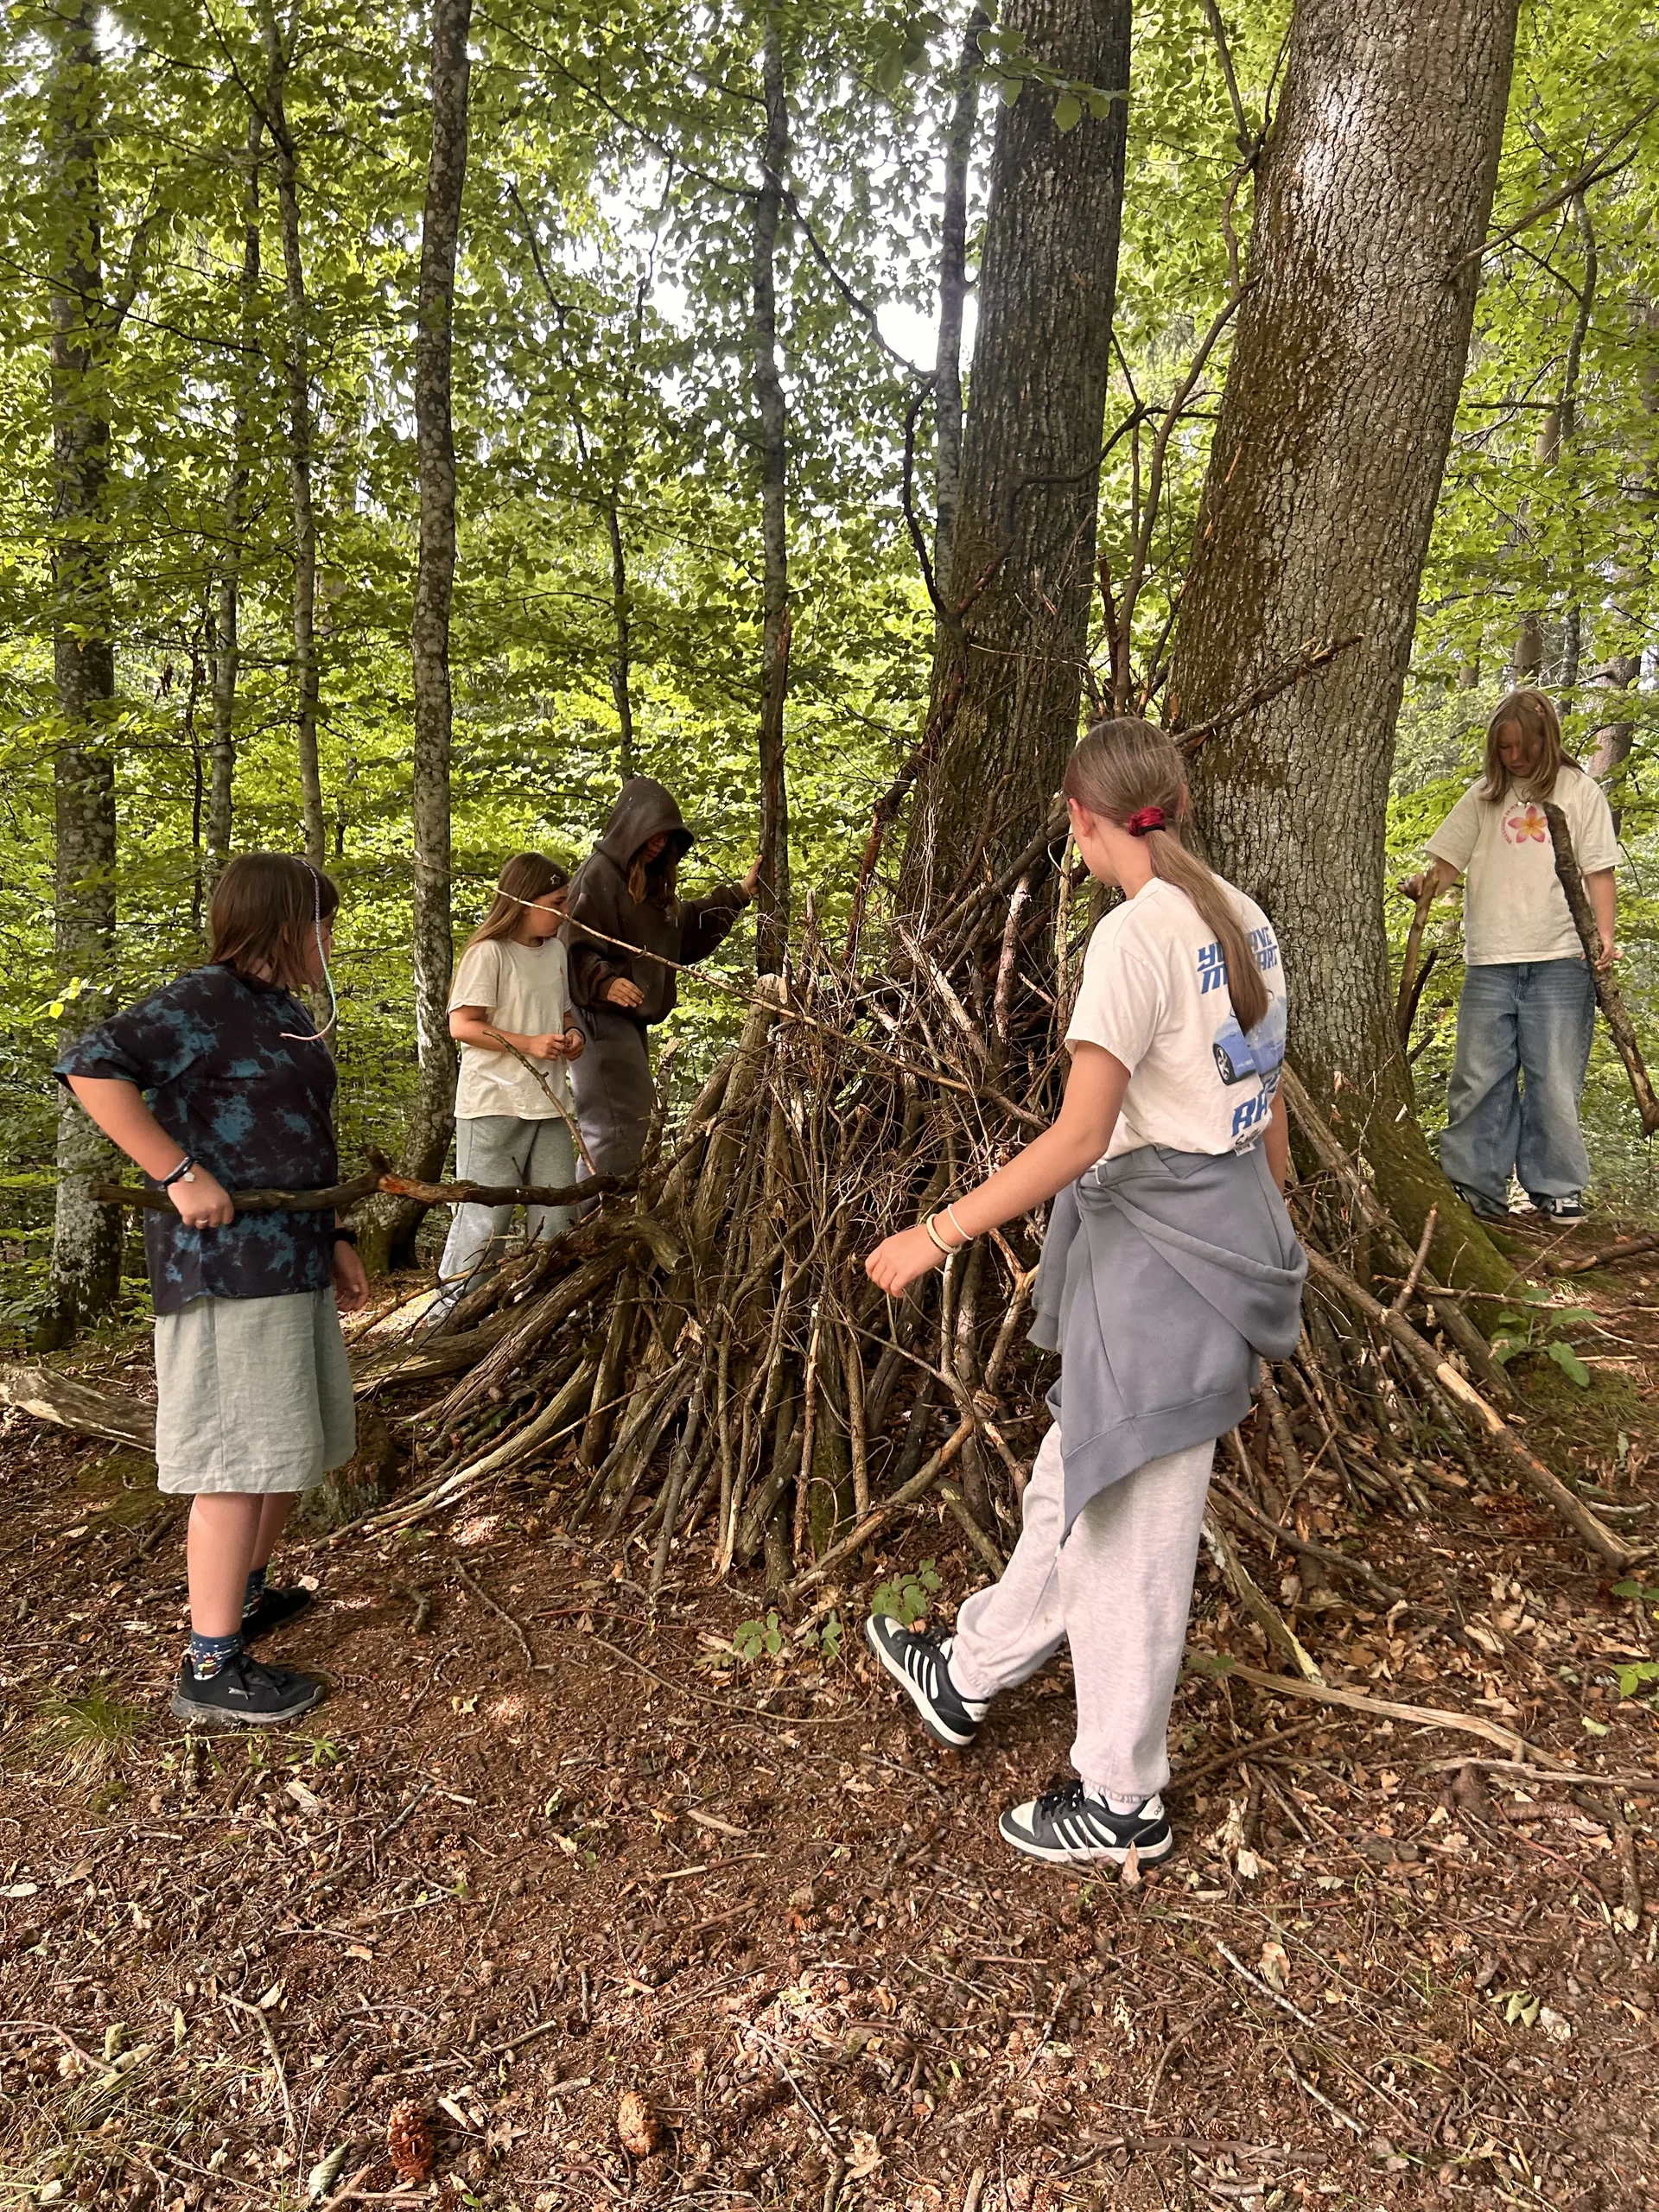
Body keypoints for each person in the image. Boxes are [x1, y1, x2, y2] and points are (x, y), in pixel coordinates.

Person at [862, 719, 1306, 1869]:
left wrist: (937, 1229)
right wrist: (1276, 1226)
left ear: (1086, 820)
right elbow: (1268, 1102)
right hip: (1224, 1236)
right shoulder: (1239, 917)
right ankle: (966, 1673)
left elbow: (1079, 1135)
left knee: (1128, 1534)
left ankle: (1121, 1798)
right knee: (1077, 1486)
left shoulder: (1132, 936)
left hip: (1158, 1264)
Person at [56, 854, 366, 1730]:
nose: (331, 942)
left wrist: (336, 1234)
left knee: (282, 1444)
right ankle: (210, 1665)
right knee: (235, 1457)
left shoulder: (283, 1013)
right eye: (322, 924)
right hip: (226, 1270)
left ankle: (246, 1594)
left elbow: (298, 1131)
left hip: (292, 1255)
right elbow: (88, 1066)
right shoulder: (200, 1002)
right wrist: (178, 1170)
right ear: (281, 923)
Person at [1402, 688, 1618, 1224]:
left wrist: (1604, 937)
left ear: (1547, 741)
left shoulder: (1579, 791)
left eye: (1522, 746)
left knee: (1554, 1078)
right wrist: (1426, 886)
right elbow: (1447, 865)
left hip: (1563, 958)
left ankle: (1558, 1187)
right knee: (1479, 1076)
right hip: (1491, 959)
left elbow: (1598, 871)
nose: (1514, 757)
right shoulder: (1483, 797)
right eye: (1503, 748)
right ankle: (1475, 1185)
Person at [563, 778, 761, 1178]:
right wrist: (603, 982)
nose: (658, 844)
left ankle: (600, 1221)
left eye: (666, 838)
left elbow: (679, 930)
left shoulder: (648, 883)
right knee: (617, 1127)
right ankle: (593, 1222)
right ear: (631, 827)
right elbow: (572, 943)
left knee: (630, 1124)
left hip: (627, 1020)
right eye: (652, 835)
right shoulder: (599, 874)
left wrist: (738, 893)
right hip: (597, 1018)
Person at [431, 853, 586, 1321]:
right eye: (555, 903)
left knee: (557, 1214)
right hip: (493, 1103)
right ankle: (447, 1319)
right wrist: (529, 1044)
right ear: (521, 902)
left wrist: (571, 1035)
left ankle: (543, 1315)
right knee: (485, 1220)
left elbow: (559, 1013)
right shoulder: (488, 953)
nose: (563, 913)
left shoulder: (556, 951)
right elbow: (462, 1025)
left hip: (550, 1103)